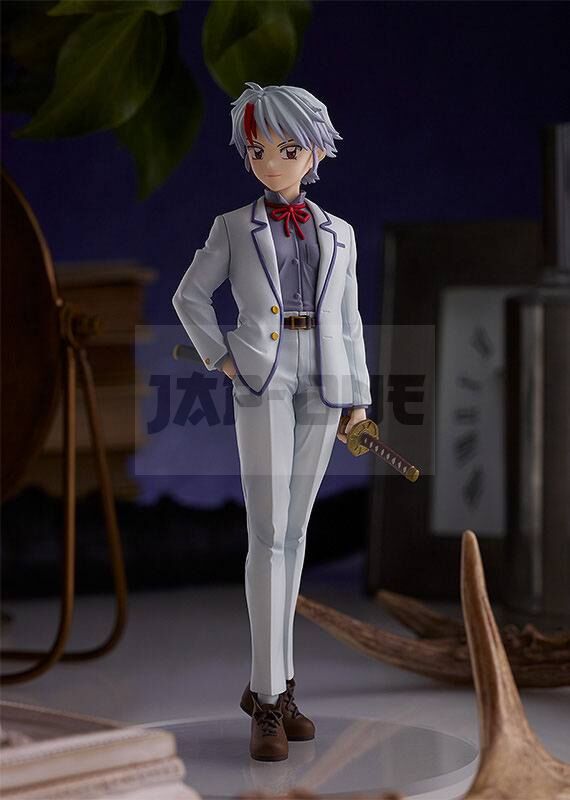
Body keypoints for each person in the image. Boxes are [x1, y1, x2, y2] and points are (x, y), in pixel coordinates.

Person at [172, 82, 372, 761]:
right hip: (262, 376)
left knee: (295, 532)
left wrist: (358, 398)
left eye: (285, 149)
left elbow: (350, 320)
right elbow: (189, 296)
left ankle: (283, 688)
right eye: (257, 150)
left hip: (325, 380)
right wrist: (222, 358)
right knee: (266, 534)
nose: (269, 163)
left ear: (314, 151)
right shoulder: (233, 227)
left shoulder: (340, 233)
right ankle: (264, 696)